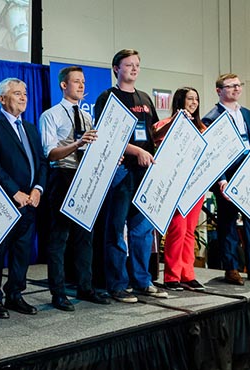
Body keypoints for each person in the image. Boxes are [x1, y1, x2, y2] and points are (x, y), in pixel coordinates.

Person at [94, 49, 168, 303]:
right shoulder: (108, 98)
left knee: (142, 231)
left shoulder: (145, 98)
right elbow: (106, 135)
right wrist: (136, 151)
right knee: (116, 230)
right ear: (116, 68)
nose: (134, 69)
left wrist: (174, 127)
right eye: (129, 65)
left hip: (145, 173)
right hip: (122, 171)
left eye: (137, 65)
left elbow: (154, 133)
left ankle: (142, 281)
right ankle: (117, 284)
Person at [39, 66, 110, 311]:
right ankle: (58, 292)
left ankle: (85, 286)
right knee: (59, 237)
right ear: (63, 85)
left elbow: (91, 149)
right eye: (76, 82)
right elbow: (49, 153)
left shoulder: (87, 117)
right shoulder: (51, 115)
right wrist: (79, 142)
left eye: (83, 82)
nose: (81, 86)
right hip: (62, 175)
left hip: (84, 177)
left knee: (85, 236)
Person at [0, 78, 47, 318]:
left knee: (22, 252)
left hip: (30, 201)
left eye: (25, 94)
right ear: (1, 99)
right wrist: (14, 192)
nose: (23, 98)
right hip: (4, 203)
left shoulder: (30, 128)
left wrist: (37, 188)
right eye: (17, 93)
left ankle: (15, 294)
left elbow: (41, 162)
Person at [202, 73, 250, 285]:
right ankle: (231, 268)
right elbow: (212, 154)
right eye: (230, 86)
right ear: (219, 91)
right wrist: (222, 180)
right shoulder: (211, 117)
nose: (236, 89)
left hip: (248, 173)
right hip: (227, 175)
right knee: (227, 223)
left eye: (238, 85)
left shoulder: (246, 113)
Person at [154, 87, 206, 291]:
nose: (193, 102)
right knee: (177, 229)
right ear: (180, 101)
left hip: (196, 187)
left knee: (190, 232)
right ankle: (171, 276)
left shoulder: (202, 127)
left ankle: (188, 274)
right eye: (189, 99)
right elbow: (155, 139)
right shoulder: (165, 124)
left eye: (196, 99)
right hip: (175, 185)